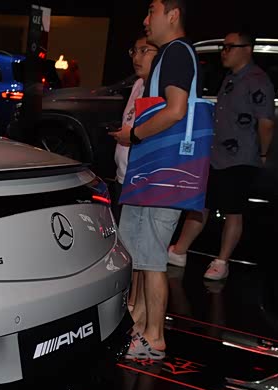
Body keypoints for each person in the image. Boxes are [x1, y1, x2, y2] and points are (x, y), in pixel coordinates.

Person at [109, 0, 200, 360]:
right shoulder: (170, 54)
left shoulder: (176, 53)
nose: (146, 20)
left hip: (165, 172)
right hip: (154, 171)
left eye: (152, 12)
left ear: (172, 15)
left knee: (153, 258)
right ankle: (142, 326)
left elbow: (176, 110)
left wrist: (134, 135)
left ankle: (154, 338)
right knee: (144, 255)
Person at [167, 32, 274, 280]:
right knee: (201, 204)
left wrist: (263, 153)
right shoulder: (231, 78)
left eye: (230, 47)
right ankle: (179, 250)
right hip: (216, 155)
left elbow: (266, 122)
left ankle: (222, 261)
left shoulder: (258, 80)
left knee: (233, 210)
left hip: (241, 156)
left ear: (247, 49)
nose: (224, 52)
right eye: (223, 47)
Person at [113, 36, 158, 312]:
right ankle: (130, 302)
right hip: (124, 173)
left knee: (140, 252)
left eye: (144, 51)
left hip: (140, 177)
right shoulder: (139, 84)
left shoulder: (157, 88)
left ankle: (135, 306)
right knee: (128, 244)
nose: (136, 57)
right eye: (134, 50)